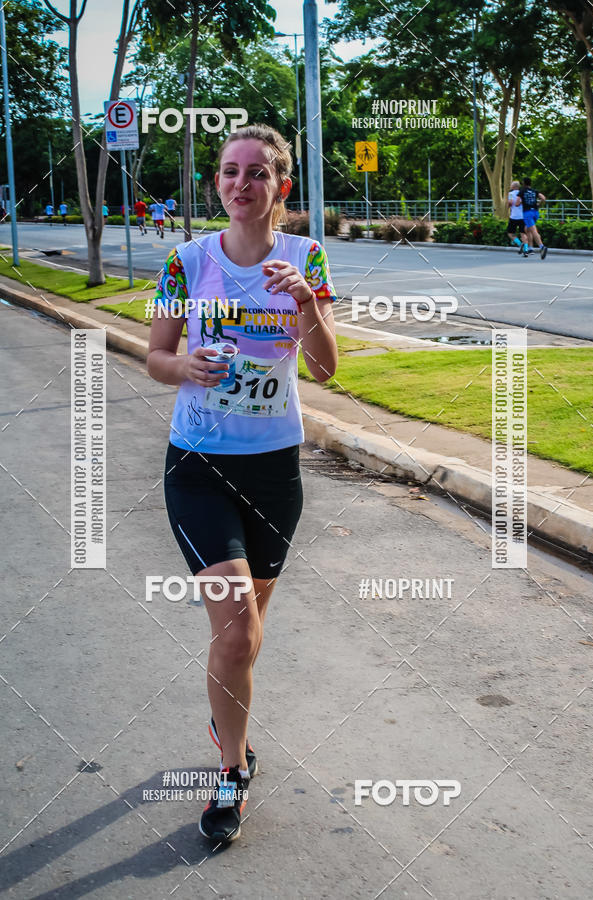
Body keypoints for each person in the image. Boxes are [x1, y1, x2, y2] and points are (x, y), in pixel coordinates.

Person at [147, 123, 338, 843]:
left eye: (258, 173)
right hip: (197, 463)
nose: (241, 183)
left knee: (247, 634)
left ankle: (225, 717)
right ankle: (231, 769)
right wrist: (184, 368)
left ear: (280, 187)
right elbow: (156, 356)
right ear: (217, 183)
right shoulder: (186, 261)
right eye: (230, 171)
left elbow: (325, 368)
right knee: (235, 633)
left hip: (274, 468)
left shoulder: (304, 257)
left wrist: (306, 305)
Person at [518, 177, 548, 259]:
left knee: (533, 230)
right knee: (527, 229)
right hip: (535, 212)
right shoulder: (534, 191)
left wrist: (521, 202)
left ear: (524, 183)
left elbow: (517, 203)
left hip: (527, 213)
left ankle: (542, 247)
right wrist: (539, 205)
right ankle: (530, 248)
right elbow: (543, 198)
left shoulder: (522, 191)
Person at [506, 181, 527, 255]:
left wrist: (507, 207)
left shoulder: (511, 194)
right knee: (523, 233)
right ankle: (526, 250)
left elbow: (510, 202)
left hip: (514, 216)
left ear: (514, 186)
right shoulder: (523, 193)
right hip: (522, 216)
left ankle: (520, 244)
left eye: (511, 185)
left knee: (510, 233)